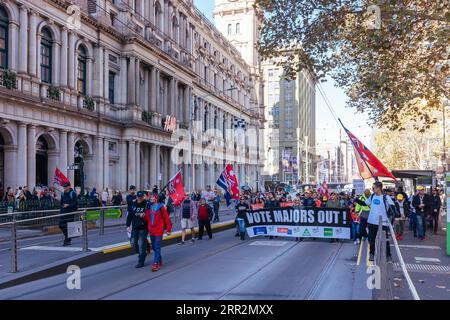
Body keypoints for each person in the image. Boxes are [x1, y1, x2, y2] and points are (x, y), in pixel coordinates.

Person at [354, 181, 394, 262]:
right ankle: (372, 253)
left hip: (383, 222)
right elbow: (364, 203)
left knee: (385, 240)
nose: (372, 189)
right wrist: (356, 199)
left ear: (379, 188)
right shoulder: (372, 196)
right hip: (372, 221)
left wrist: (392, 218)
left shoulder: (386, 197)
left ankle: (388, 255)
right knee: (371, 240)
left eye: (373, 188)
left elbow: (392, 208)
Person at [143, 193, 172, 271]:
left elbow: (166, 218)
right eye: (151, 198)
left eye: (152, 198)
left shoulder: (161, 207)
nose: (151, 199)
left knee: (157, 246)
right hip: (151, 230)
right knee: (154, 247)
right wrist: (144, 213)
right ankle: (159, 259)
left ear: (156, 199)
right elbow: (146, 218)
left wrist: (168, 229)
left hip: (159, 230)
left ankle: (155, 263)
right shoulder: (149, 207)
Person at [126, 191, 149, 268]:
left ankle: (141, 260)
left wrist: (145, 215)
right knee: (132, 242)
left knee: (142, 244)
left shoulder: (147, 204)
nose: (140, 199)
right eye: (139, 197)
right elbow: (130, 215)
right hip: (135, 227)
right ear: (137, 197)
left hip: (143, 227)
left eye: (141, 197)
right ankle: (141, 253)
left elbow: (150, 214)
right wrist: (128, 225)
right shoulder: (133, 204)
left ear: (143, 197)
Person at [59, 182, 78, 246]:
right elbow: (61, 202)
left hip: (70, 212)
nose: (64, 188)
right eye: (64, 187)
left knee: (68, 226)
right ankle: (67, 237)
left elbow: (75, 204)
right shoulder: (62, 194)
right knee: (61, 225)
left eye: (66, 187)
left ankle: (67, 240)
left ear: (69, 186)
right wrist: (63, 206)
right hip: (63, 212)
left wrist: (68, 205)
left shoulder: (73, 193)